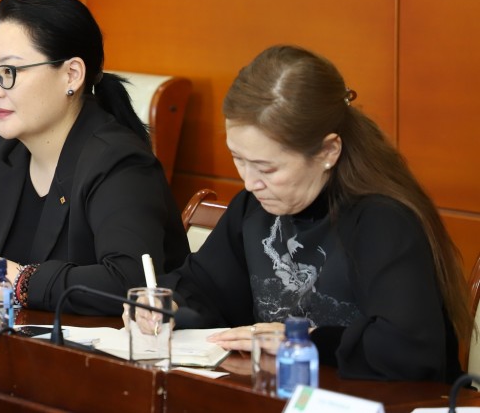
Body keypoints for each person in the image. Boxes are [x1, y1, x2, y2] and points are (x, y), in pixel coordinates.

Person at [149, 45, 469, 382]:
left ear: (328, 151)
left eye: (267, 168)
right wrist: (166, 305)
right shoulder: (254, 207)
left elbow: (409, 350)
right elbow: (204, 287)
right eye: (238, 159)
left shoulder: (382, 220)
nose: (250, 182)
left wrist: (304, 340)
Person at [0, 0, 189, 315]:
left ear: (71, 75)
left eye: (10, 72)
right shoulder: (6, 153)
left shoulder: (120, 163)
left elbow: (129, 282)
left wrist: (19, 280)